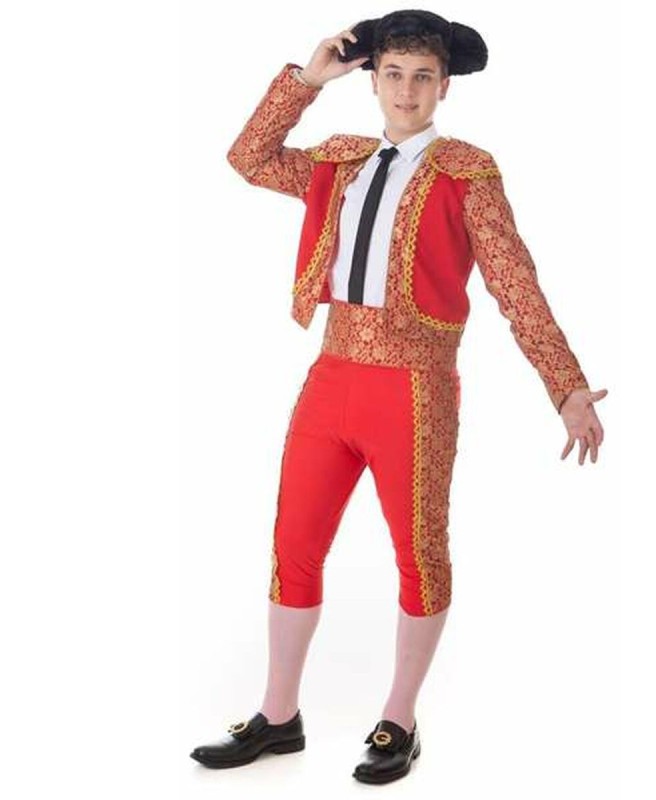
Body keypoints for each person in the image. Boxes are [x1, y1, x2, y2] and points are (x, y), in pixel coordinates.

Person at [190, 9, 608, 785]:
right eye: (393, 74)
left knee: (419, 553)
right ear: (373, 80)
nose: (407, 91)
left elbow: (516, 283)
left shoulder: (467, 174)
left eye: (422, 77)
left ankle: (400, 719)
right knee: (294, 543)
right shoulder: (340, 161)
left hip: (416, 388)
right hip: (330, 377)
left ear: (444, 86)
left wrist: (566, 386)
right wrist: (306, 81)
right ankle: (279, 714)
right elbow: (247, 157)